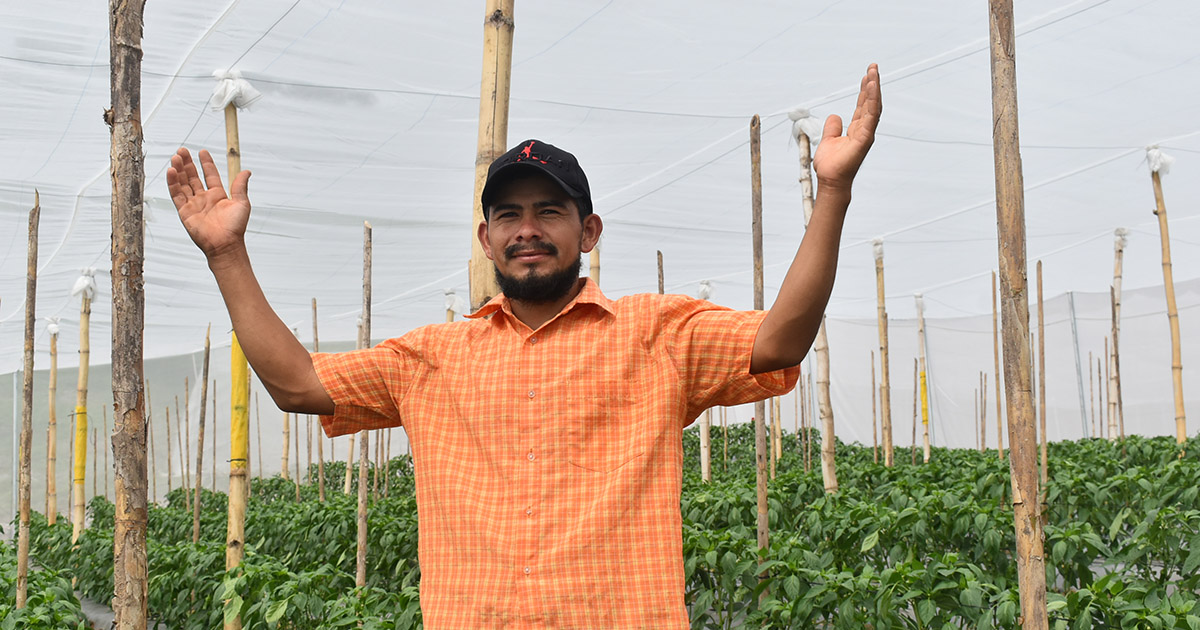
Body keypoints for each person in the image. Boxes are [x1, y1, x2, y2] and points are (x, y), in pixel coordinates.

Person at [168, 64, 881, 630]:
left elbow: (781, 338)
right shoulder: (433, 358)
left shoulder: (657, 333)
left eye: (549, 212)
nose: (527, 229)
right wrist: (227, 256)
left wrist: (833, 192)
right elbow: (297, 385)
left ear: (588, 231)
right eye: (508, 214)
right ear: (486, 240)